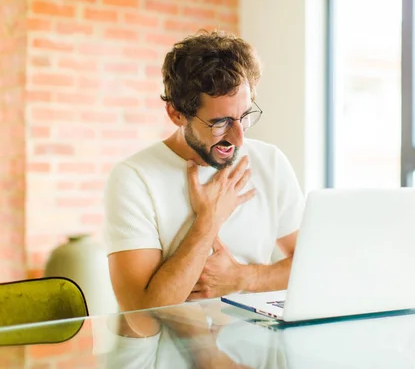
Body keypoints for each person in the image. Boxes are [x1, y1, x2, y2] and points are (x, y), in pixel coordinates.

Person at [103, 30, 304, 312]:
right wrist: (208, 220)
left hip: (258, 349)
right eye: (220, 123)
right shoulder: (134, 179)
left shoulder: (269, 162)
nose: (239, 139)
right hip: (170, 353)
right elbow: (141, 313)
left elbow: (311, 267)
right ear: (176, 114)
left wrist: (241, 277)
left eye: (244, 117)